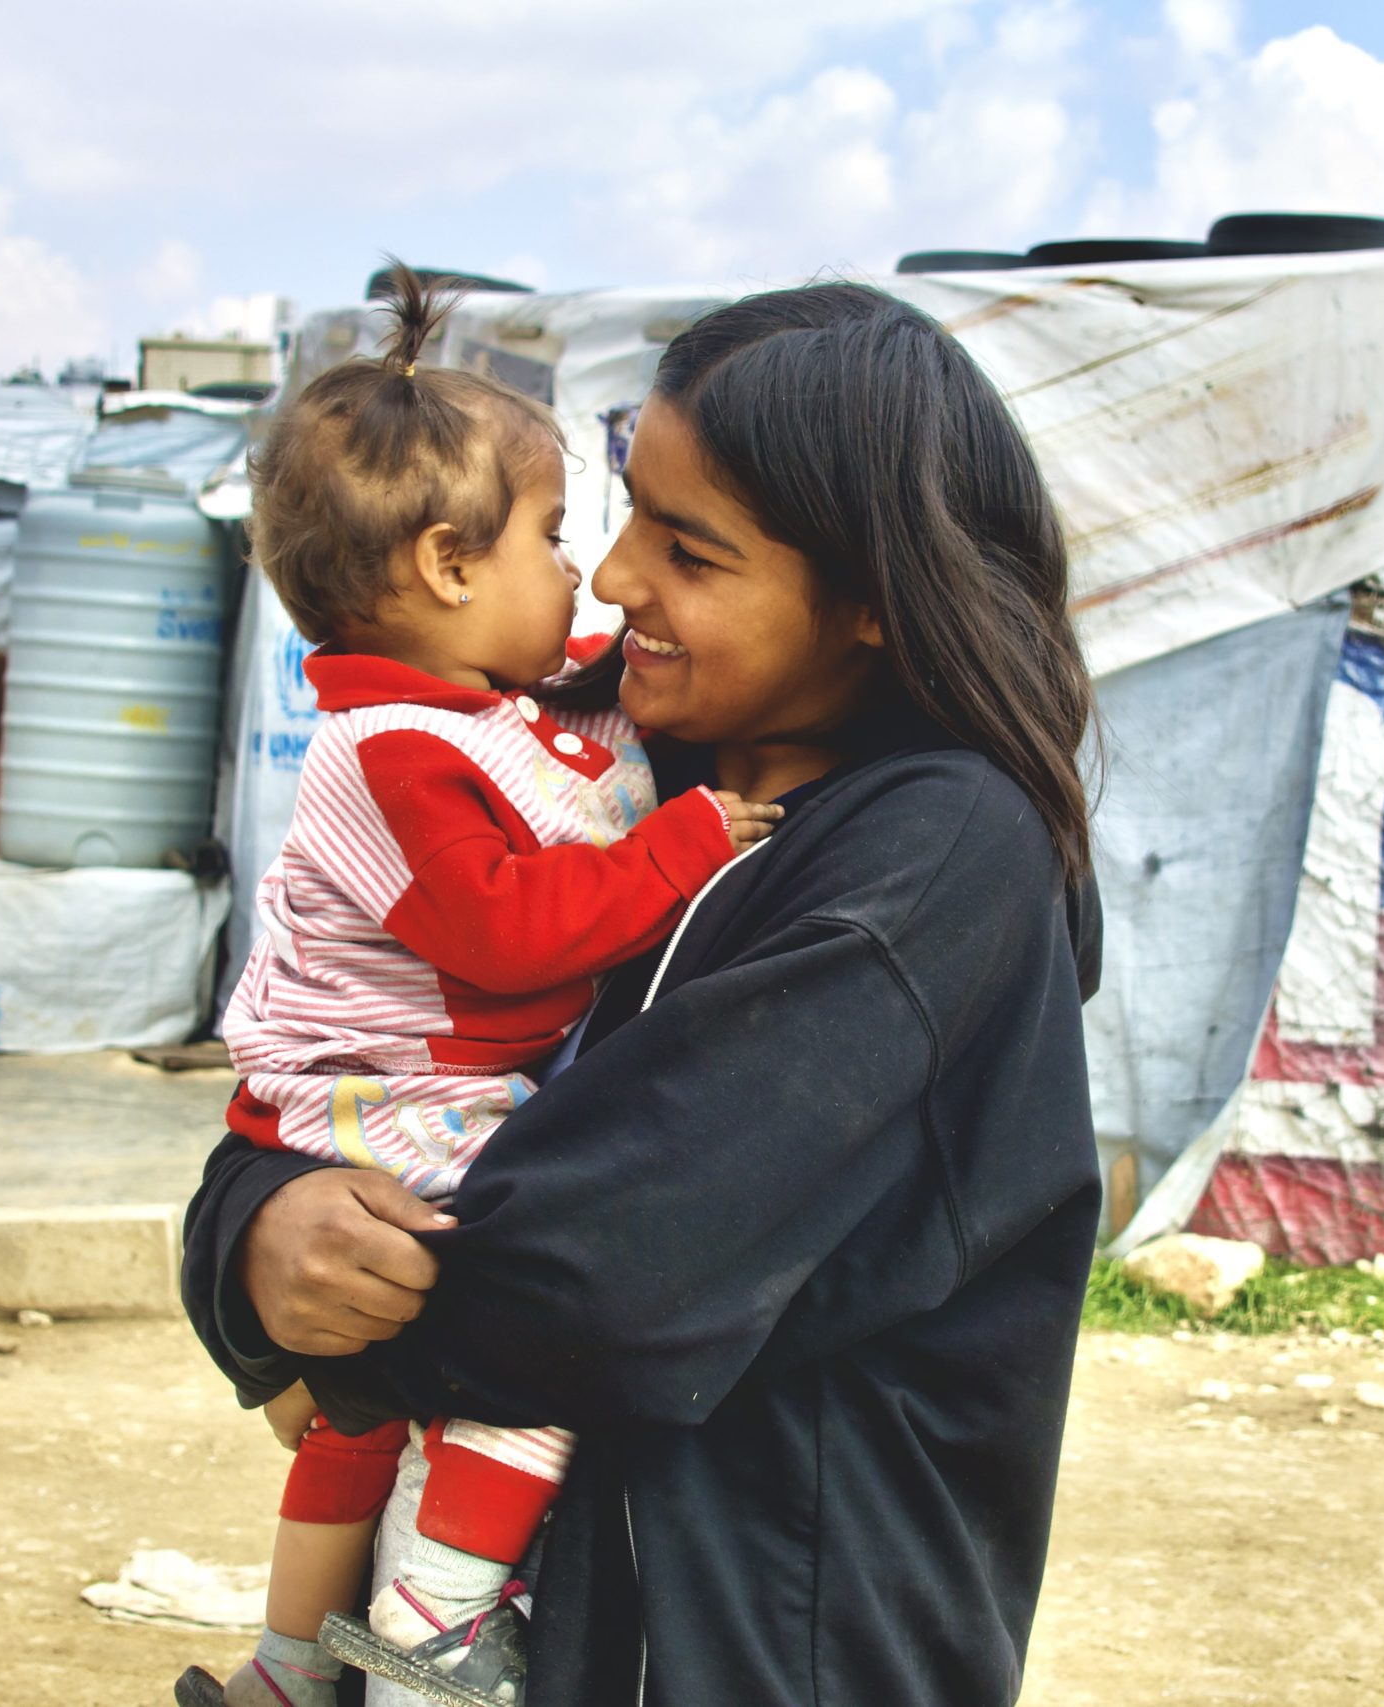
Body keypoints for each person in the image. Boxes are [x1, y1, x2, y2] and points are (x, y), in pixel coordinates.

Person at [185, 279, 1103, 1705]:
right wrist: (254, 1233)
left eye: (687, 548)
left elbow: (596, 1279)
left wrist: (313, 1327)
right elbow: (378, 1092)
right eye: (616, 518)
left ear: (868, 597)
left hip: (754, 1652)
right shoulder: (607, 780)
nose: (612, 581)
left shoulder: (933, 860)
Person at [184, 265, 781, 1707]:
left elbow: (581, 680)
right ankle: (433, 1645)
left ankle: (289, 1668)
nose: (590, 580)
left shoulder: (471, 704)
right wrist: (684, 841)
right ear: (450, 570)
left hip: (407, 1098)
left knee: (357, 1413)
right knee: (521, 1372)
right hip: (410, 1106)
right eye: (557, 539)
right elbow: (509, 933)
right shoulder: (393, 754)